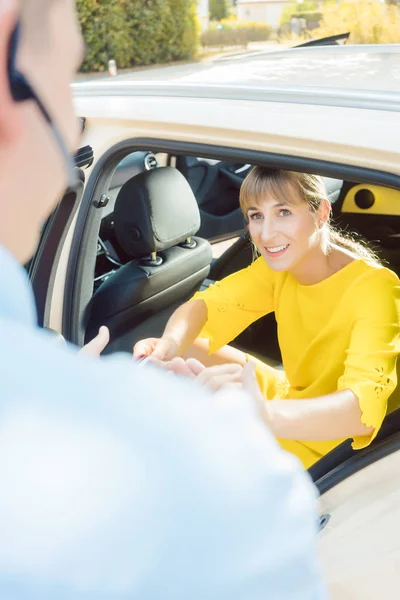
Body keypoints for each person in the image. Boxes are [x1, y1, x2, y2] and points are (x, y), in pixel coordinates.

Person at [0, 1, 326, 598]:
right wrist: (233, 435)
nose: (72, 119)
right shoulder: (213, 485)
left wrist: (74, 385)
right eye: (70, 79)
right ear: (9, 78)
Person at [134, 168, 400, 469]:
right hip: (292, 396)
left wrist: (264, 415)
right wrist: (167, 345)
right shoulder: (281, 267)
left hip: (335, 441)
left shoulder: (375, 288)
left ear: (321, 212)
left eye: (283, 212)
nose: (266, 233)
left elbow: (359, 411)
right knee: (184, 346)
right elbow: (206, 306)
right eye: (256, 215)